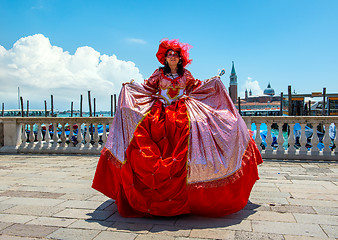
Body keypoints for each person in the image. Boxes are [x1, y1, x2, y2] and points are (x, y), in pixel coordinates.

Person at [92, 39, 263, 217]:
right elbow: (147, 88)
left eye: (175, 55)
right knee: (145, 142)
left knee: (193, 133)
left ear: (180, 59)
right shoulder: (158, 74)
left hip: (182, 111)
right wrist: (131, 86)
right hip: (160, 111)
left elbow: (198, 86)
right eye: (169, 55)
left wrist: (214, 82)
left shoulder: (186, 75)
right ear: (165, 58)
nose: (172, 57)